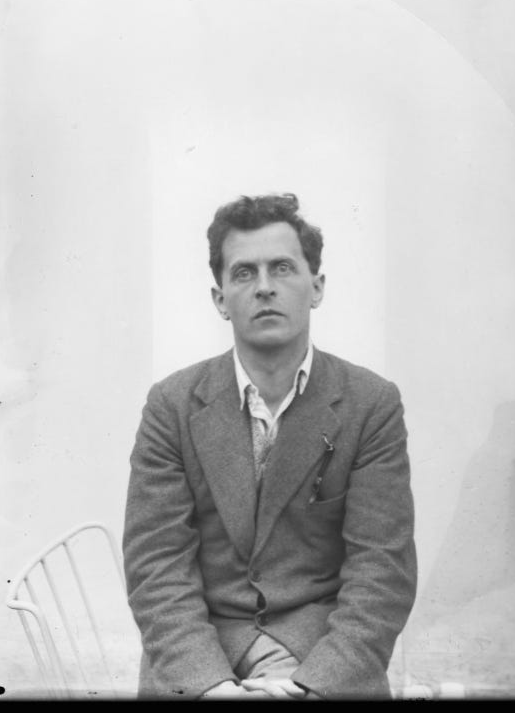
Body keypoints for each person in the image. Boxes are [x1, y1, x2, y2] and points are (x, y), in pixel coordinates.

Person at [123, 193, 416, 700]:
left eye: (282, 268)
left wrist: (315, 685)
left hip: (322, 646)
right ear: (220, 300)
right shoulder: (171, 405)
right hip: (204, 645)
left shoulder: (371, 404)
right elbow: (157, 568)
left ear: (316, 287)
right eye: (244, 273)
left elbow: (381, 571)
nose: (264, 288)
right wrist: (211, 685)